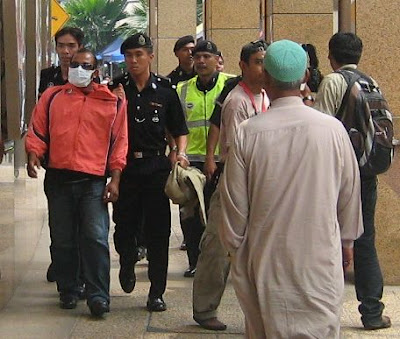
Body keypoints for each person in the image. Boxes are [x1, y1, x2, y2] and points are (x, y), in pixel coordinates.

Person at [219, 39, 364, 338]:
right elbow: (349, 194)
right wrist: (347, 240)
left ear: (266, 78)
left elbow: (234, 207)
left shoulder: (248, 133)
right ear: (306, 77)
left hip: (265, 260)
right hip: (320, 258)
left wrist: (236, 251)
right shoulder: (333, 130)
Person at [25, 48, 128, 317]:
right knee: (63, 240)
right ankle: (68, 289)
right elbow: (38, 129)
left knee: (95, 238)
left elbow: (119, 143)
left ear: (95, 71)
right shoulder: (52, 97)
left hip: (93, 182)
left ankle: (98, 296)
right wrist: (33, 153)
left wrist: (115, 179)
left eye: (86, 66)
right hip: (58, 180)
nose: (79, 70)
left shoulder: (111, 102)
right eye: (75, 65)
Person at [305, 32, 392, 331]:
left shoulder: (334, 82)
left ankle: (318, 309)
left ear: (331, 55)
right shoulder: (370, 82)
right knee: (365, 240)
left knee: (323, 237)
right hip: (366, 173)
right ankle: (372, 312)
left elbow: (320, 130)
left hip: (338, 176)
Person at [109, 33, 189, 312]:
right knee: (123, 228)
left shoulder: (165, 90)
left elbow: (179, 131)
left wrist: (178, 153)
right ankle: (128, 261)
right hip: (126, 168)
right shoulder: (116, 88)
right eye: (129, 56)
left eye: (138, 55)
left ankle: (157, 292)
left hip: (156, 168)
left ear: (150, 56)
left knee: (158, 233)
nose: (133, 61)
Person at [193, 40, 269, 331]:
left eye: (266, 62)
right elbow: (238, 153)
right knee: (218, 246)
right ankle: (204, 308)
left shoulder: (264, 96)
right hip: (235, 183)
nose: (263, 69)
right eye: (258, 62)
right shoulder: (238, 101)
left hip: (258, 184)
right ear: (243, 65)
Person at [176, 40, 233, 278]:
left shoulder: (230, 85)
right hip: (192, 163)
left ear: (217, 59)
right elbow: (176, 126)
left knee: (218, 214)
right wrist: (177, 153)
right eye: (196, 56)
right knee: (190, 215)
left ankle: (220, 262)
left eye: (206, 56)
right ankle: (195, 261)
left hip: (223, 161)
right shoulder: (183, 89)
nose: (200, 61)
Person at [38, 26, 86, 292]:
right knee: (59, 218)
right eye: (61, 46)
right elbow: (40, 117)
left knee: (82, 221)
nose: (66, 52)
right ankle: (60, 261)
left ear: (79, 47)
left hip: (83, 160)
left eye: (71, 46)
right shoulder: (48, 76)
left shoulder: (89, 73)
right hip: (55, 160)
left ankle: (77, 272)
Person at [38, 27, 84, 97]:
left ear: (80, 48)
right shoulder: (47, 75)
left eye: (71, 46)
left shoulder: (87, 77)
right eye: (61, 46)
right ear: (56, 48)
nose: (65, 51)